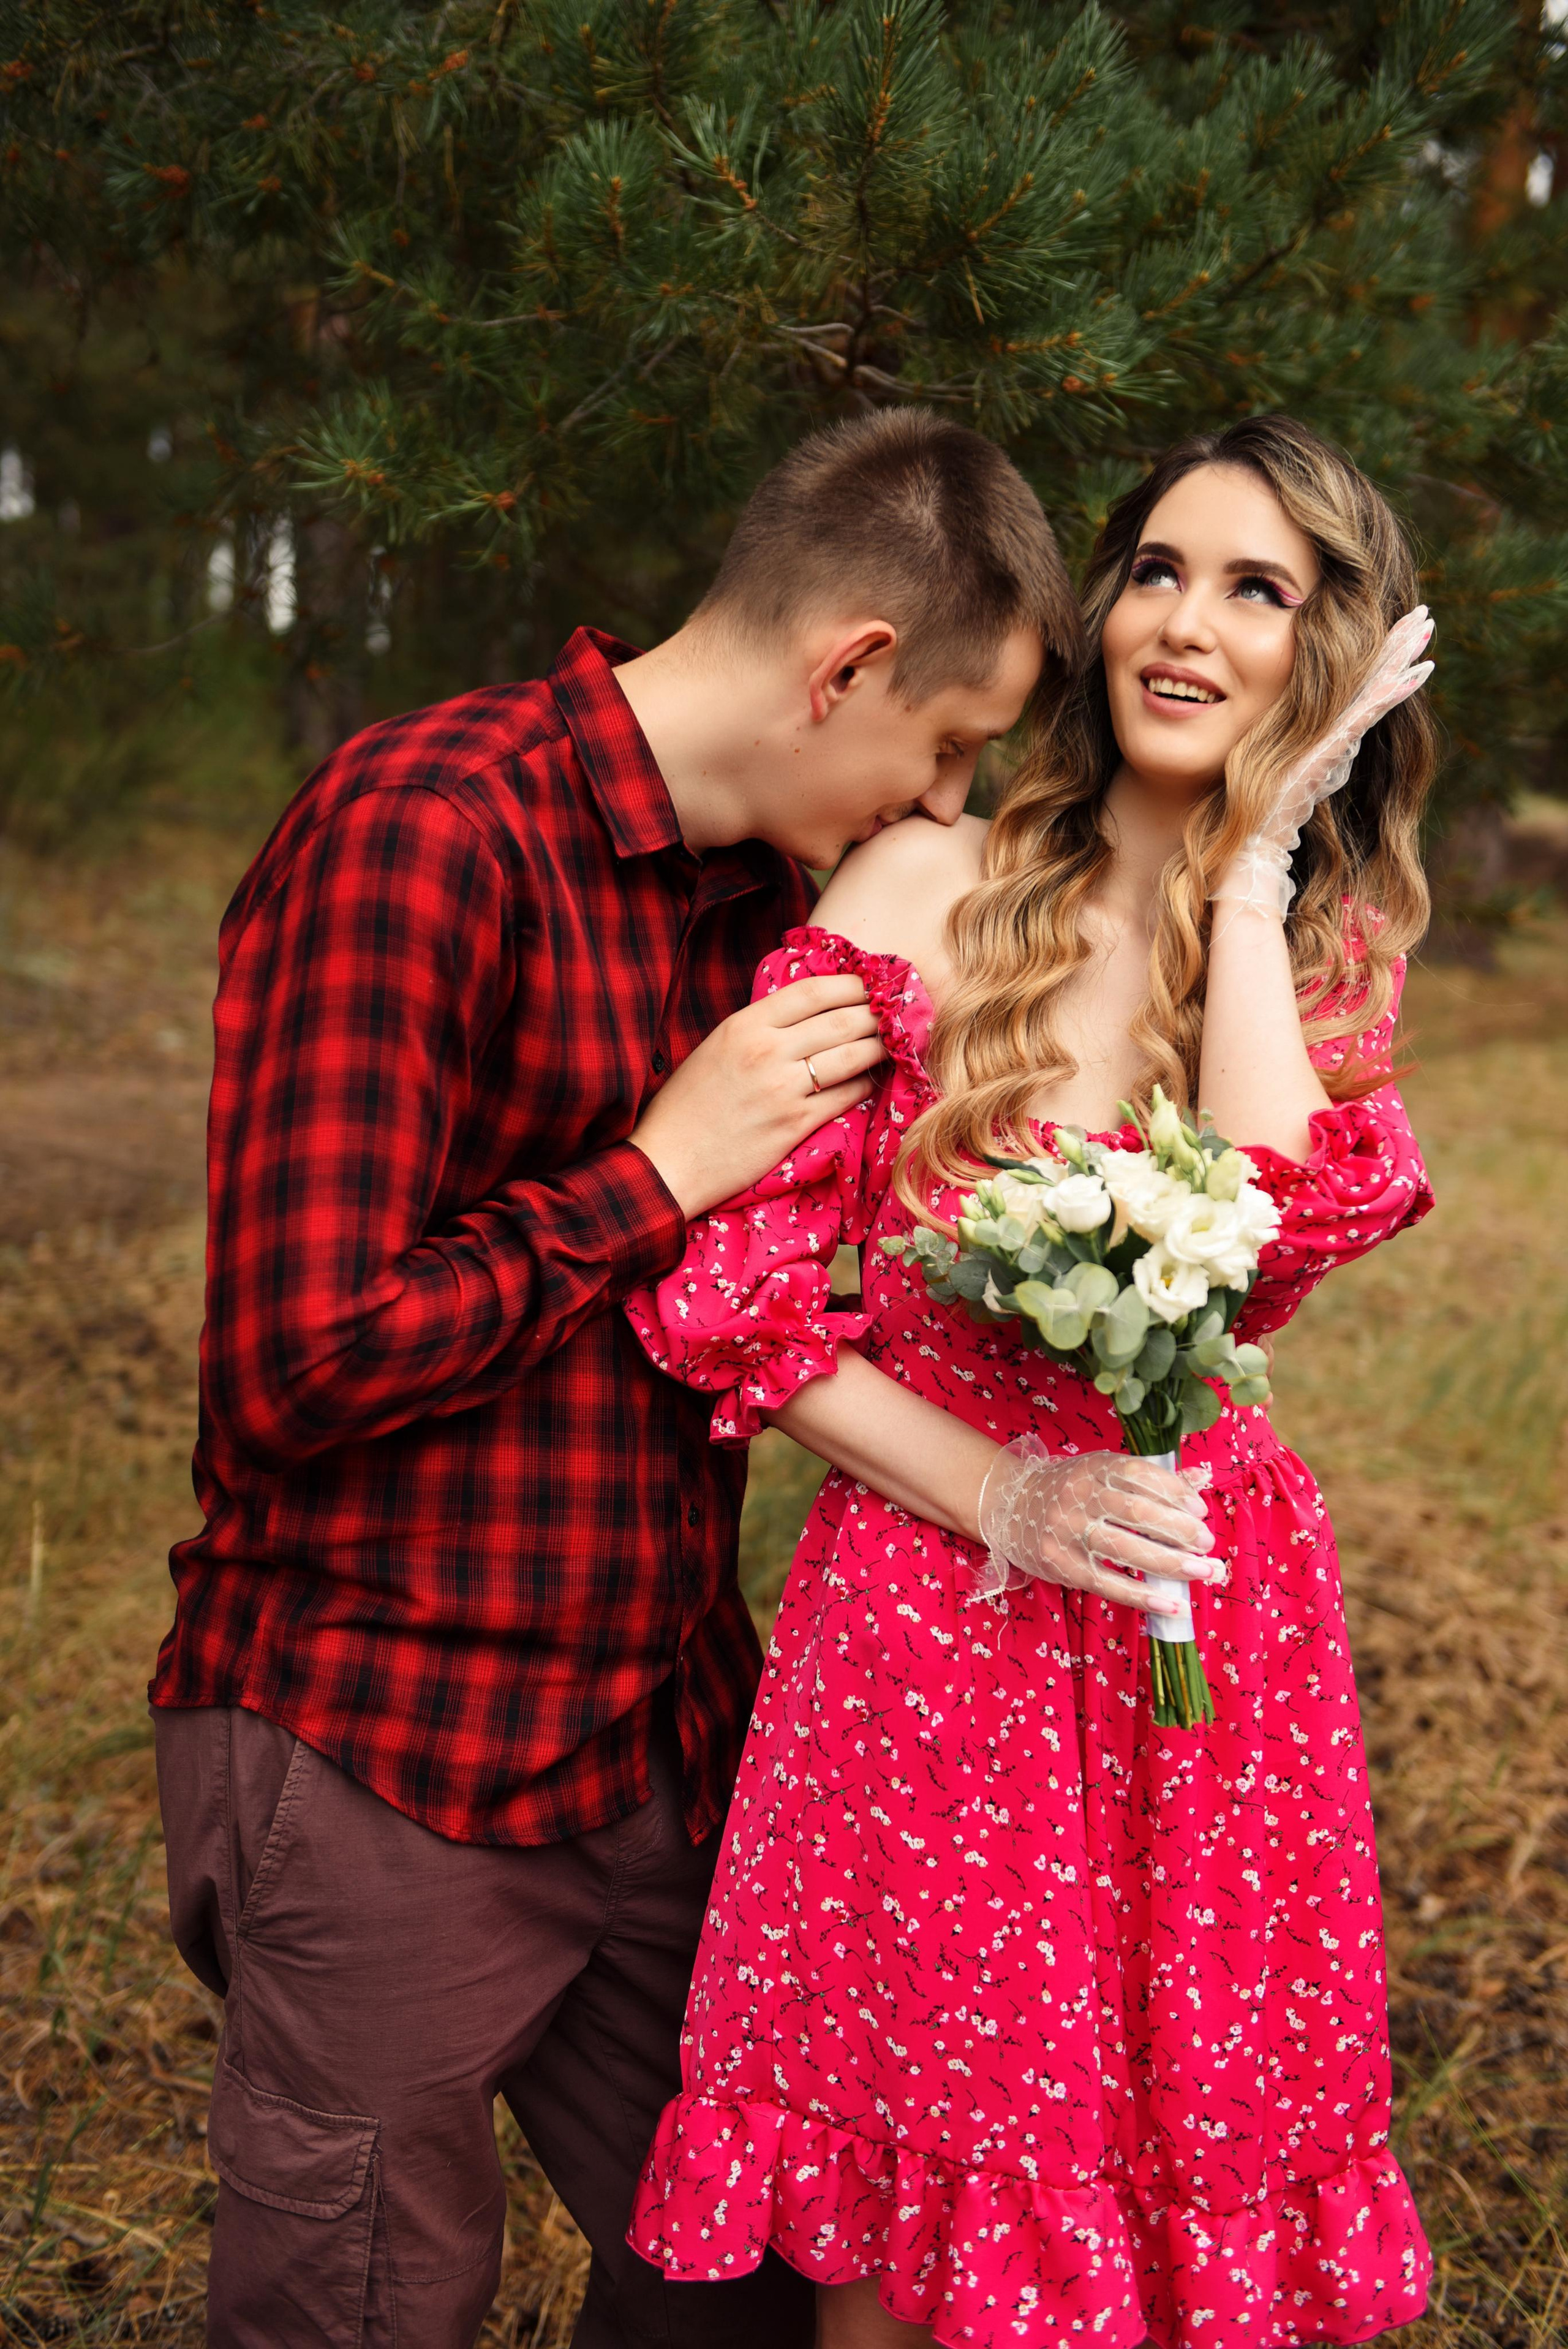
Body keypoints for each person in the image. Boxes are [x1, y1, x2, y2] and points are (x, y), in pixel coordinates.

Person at [149, 407, 1198, 2349]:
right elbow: (295, 1363)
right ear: (847, 668)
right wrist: (654, 1175)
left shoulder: (762, 898)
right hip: (388, 1733)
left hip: (658, 1734)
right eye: (947, 746)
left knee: (752, 2278)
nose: (944, 802)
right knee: (365, 2296)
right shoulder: (425, 830)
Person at [625, 415, 1438, 2349]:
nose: (1185, 623)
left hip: (1201, 1627)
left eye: (1258, 590)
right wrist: (1000, 1491)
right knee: (909, 2221)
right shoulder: (923, 882)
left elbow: (1266, 1235)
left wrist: (1258, 866)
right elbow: (737, 1297)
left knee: (1166, 2200)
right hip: (934, 1614)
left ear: (1327, 654)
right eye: (1156, 570)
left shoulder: (1322, 954)